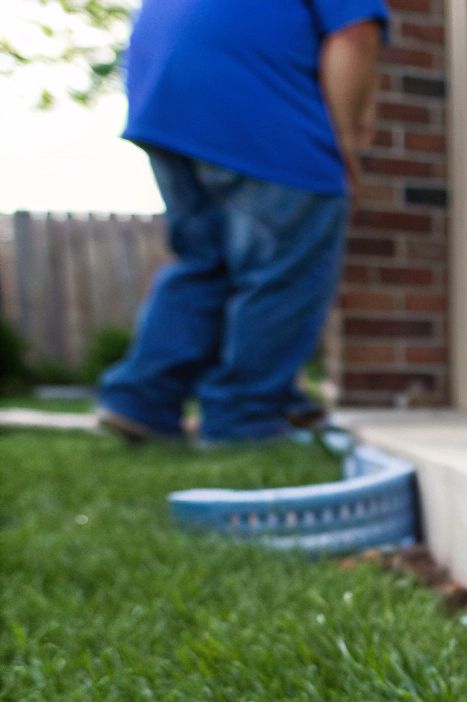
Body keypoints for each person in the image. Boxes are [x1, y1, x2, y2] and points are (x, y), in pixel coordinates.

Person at [98, 0, 388, 444]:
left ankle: (143, 401)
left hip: (162, 97)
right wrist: (346, 145)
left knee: (204, 264)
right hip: (254, 100)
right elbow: (353, 36)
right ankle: (245, 416)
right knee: (285, 270)